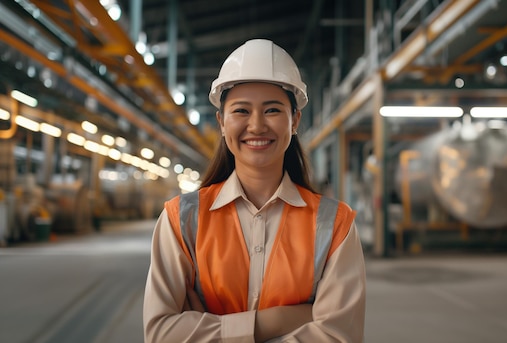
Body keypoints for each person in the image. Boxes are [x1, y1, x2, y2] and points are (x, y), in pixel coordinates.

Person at [143, 39, 366, 342]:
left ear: (295, 120)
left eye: (273, 110)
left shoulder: (335, 225)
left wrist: (207, 329)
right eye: (241, 111)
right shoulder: (181, 220)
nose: (257, 125)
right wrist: (281, 320)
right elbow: (160, 334)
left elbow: (339, 336)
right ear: (222, 122)